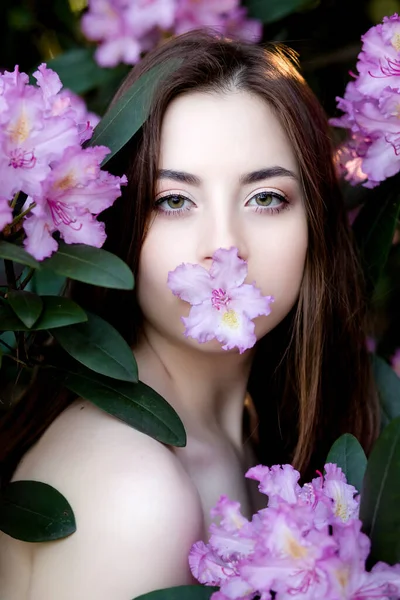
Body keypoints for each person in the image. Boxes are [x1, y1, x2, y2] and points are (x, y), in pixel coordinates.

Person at [0, 29, 379, 600]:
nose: (225, 245)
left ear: (316, 228)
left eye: (266, 198)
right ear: (119, 225)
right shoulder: (134, 492)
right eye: (174, 201)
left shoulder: (248, 441)